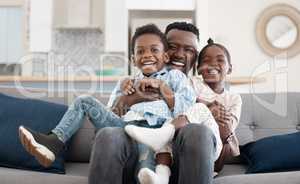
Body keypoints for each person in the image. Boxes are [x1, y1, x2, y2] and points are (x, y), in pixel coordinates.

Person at [18, 24, 195, 182]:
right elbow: (112, 114)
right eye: (140, 51)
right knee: (84, 101)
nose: (147, 55)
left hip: (153, 134)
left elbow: (187, 108)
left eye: (154, 50)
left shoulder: (174, 77)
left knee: (145, 171)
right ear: (133, 59)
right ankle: (54, 142)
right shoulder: (127, 82)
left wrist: (162, 87)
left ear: (165, 57)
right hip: (124, 128)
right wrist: (130, 98)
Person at [90, 22, 241, 184]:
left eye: (189, 50)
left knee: (198, 131)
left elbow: (218, 156)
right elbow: (104, 125)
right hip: (132, 158)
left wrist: (218, 122)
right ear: (161, 49)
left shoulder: (200, 89)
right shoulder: (132, 82)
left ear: (196, 58)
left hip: (184, 165)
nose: (179, 54)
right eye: (172, 46)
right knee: (108, 134)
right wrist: (130, 98)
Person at [123, 38, 242, 183]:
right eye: (206, 60)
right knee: (169, 122)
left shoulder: (233, 98)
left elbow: (227, 127)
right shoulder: (192, 82)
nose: (212, 64)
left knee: (198, 109)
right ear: (198, 68)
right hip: (180, 142)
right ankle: (161, 177)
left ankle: (163, 133)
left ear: (229, 68)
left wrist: (205, 107)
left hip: (213, 148)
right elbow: (182, 104)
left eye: (220, 60)